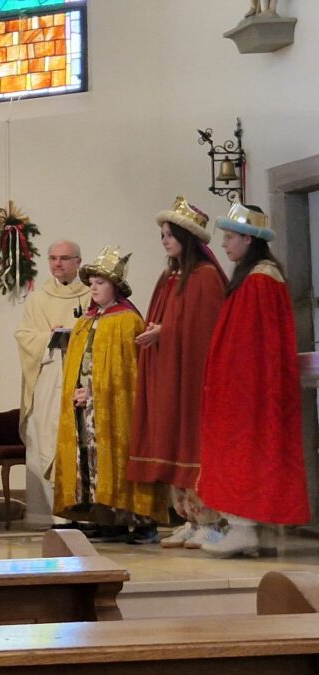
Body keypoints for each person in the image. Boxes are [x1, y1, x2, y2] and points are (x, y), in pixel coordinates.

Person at [197, 205, 310, 557]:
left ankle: (244, 526)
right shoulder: (254, 276)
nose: (226, 245)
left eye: (230, 238)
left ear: (249, 238)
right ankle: (242, 528)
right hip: (241, 386)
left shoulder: (260, 280)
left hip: (247, 389)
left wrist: (236, 385)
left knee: (245, 450)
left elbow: (251, 345)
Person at [126, 196, 228, 549]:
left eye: (170, 234)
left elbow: (204, 330)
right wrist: (158, 330)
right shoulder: (170, 276)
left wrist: (164, 332)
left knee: (193, 441)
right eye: (163, 235)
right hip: (169, 369)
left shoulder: (206, 277)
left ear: (188, 238)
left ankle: (210, 522)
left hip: (193, 376)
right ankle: (186, 517)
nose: (165, 240)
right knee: (170, 435)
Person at [54, 247, 167, 543]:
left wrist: (96, 392)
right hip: (86, 407)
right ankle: (106, 518)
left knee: (121, 455)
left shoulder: (127, 321)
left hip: (118, 407)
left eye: (100, 282)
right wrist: (78, 390)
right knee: (92, 461)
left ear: (115, 287)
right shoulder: (85, 322)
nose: (93, 287)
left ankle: (141, 520)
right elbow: (79, 366)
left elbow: (128, 371)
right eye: (91, 281)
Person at [14, 240, 90, 529]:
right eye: (53, 258)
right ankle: (51, 513)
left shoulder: (90, 294)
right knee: (46, 438)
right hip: (47, 379)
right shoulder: (38, 298)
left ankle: (84, 511)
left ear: (78, 261)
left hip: (80, 378)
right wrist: (51, 337)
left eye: (64, 258)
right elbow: (24, 335)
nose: (58, 264)